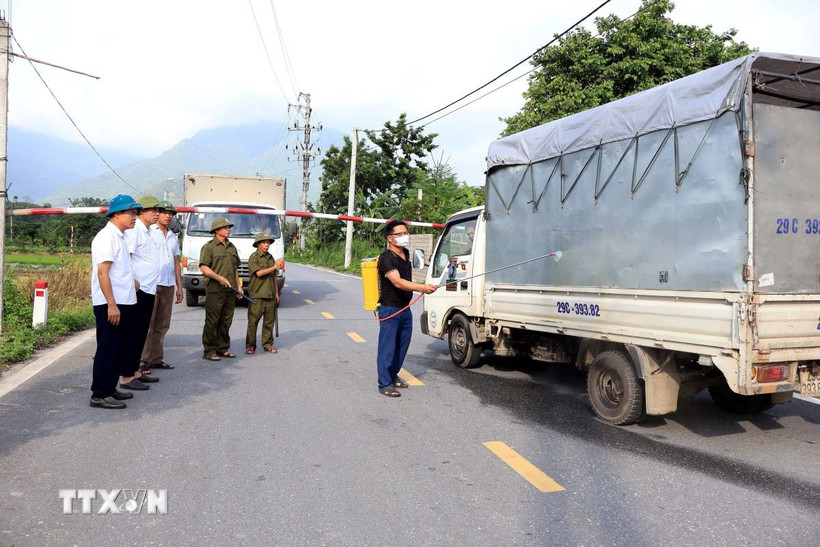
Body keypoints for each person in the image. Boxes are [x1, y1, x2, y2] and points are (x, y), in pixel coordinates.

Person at [89, 195, 142, 409]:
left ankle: (110, 389)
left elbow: (119, 268)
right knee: (108, 349)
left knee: (118, 348)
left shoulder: (119, 236)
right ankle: (100, 394)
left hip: (124, 301)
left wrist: (132, 281)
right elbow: (103, 272)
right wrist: (111, 304)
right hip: (112, 304)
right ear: (117, 214)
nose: (135, 217)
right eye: (131, 213)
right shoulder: (106, 237)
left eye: (136, 213)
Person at [376, 220, 439, 397]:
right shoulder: (386, 258)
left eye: (406, 233)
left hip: (405, 309)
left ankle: (393, 374)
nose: (405, 236)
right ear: (390, 238)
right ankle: (384, 383)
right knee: (387, 348)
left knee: (401, 346)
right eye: (400, 234)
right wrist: (422, 288)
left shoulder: (406, 253)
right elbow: (397, 281)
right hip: (390, 309)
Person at [119, 196, 162, 391]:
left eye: (157, 210)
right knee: (134, 333)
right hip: (139, 289)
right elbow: (126, 256)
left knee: (141, 333)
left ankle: (135, 371)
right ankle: (127, 375)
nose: (157, 214)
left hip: (149, 288)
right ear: (140, 212)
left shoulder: (148, 231)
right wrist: (133, 280)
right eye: (152, 210)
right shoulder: (135, 231)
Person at [140, 200, 183, 374]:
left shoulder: (172, 236)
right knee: (147, 323)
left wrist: (179, 287)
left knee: (162, 324)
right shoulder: (149, 232)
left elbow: (176, 262)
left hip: (167, 284)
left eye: (171, 214)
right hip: (151, 283)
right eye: (164, 212)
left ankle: (156, 358)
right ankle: (143, 361)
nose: (167, 216)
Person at [200, 216, 243, 361]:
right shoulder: (209, 247)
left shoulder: (231, 247)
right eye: (225, 227)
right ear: (217, 230)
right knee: (213, 321)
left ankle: (223, 348)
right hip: (215, 290)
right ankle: (210, 350)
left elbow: (235, 268)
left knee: (226, 320)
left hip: (230, 290)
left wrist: (239, 286)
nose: (228, 230)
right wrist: (219, 278)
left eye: (229, 227)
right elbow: (204, 268)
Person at [245, 232, 282, 355]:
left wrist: (277, 293)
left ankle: (267, 345)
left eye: (268, 243)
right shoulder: (253, 257)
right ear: (258, 244)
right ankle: (250, 345)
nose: (267, 245)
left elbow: (274, 277)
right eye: (264, 242)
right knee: (253, 322)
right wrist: (274, 266)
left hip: (270, 295)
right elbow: (259, 273)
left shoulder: (270, 257)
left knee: (269, 322)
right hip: (257, 294)